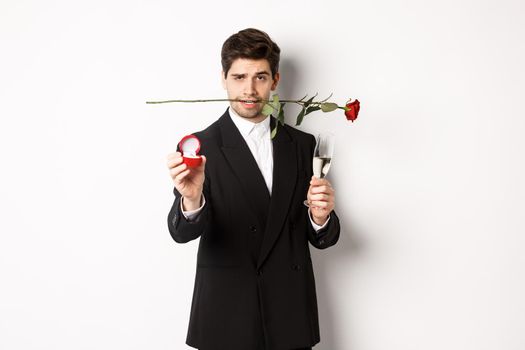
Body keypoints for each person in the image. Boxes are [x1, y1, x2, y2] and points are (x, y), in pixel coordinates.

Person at [166, 28, 340, 350]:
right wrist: (192, 200)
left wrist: (321, 217)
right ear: (223, 78)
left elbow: (323, 238)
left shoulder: (303, 145)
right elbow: (181, 233)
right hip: (225, 317)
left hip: (289, 316)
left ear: (275, 80)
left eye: (260, 77)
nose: (249, 89)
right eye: (239, 77)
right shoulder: (200, 146)